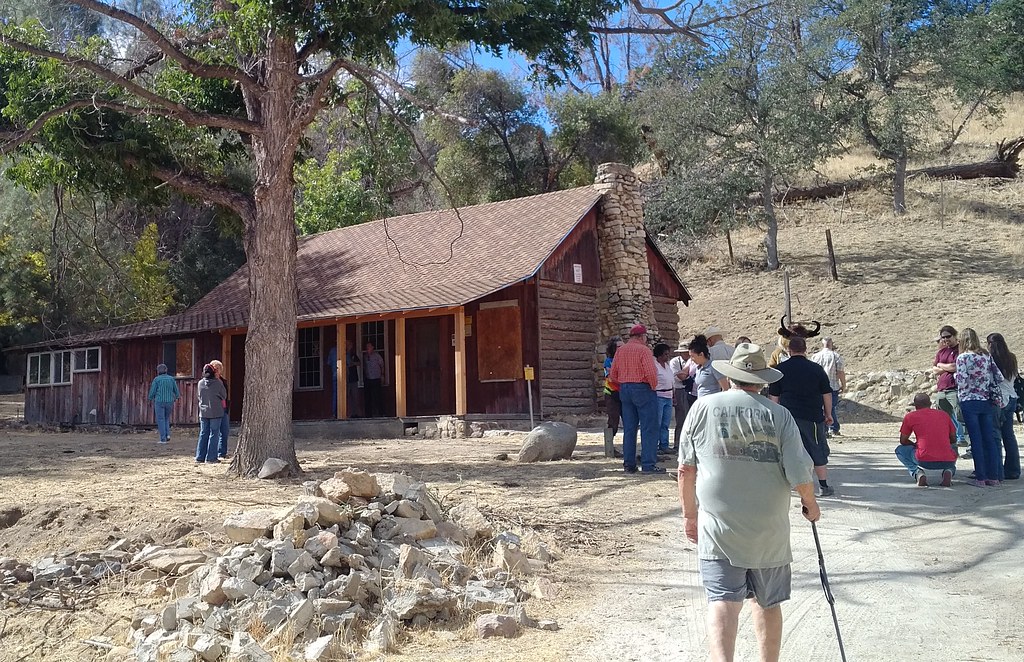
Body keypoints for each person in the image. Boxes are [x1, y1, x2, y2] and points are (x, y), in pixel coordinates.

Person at [678, 343, 819, 662]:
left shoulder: (702, 408)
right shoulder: (779, 414)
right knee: (768, 602)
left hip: (718, 527)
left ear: (731, 377)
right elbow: (799, 470)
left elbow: (685, 469)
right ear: (762, 381)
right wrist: (810, 503)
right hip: (768, 528)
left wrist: (690, 516)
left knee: (723, 601)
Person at [768, 336, 835, 497]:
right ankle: (823, 486)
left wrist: (774, 418)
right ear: (805, 350)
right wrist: (828, 414)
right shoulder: (816, 369)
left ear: (789, 350)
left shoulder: (780, 370)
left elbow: (774, 397)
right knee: (816, 449)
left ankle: (787, 485)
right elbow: (827, 393)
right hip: (812, 417)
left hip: (787, 417)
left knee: (787, 450)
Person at [608, 324, 664, 474]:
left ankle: (629, 465)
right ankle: (648, 465)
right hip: (643, 388)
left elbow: (613, 375)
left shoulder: (621, 351)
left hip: (625, 389)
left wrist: (624, 383)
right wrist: (652, 386)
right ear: (641, 336)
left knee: (629, 429)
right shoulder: (644, 350)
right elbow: (651, 373)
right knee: (649, 428)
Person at [956, 328, 1004, 486]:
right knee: (989, 438)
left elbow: (962, 381)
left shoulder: (962, 357)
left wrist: (956, 376)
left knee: (976, 440)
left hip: (969, 400)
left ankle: (981, 477)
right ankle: (994, 476)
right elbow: (999, 377)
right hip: (986, 400)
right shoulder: (986, 356)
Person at [895, 393, 957, 487]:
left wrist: (915, 445)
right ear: (930, 403)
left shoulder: (910, 417)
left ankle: (918, 473)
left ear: (915, 406)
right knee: (953, 448)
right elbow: (953, 439)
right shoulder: (943, 415)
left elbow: (903, 441)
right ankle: (949, 470)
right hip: (947, 459)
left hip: (923, 459)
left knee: (900, 450)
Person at [985, 332, 1020, 480]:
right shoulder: (1011, 358)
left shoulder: (990, 359)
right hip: (1011, 396)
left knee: (995, 436)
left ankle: (997, 471)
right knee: (1009, 435)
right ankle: (1013, 470)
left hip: (998, 399)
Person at [931, 326, 967, 448]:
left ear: (954, 335)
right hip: (942, 388)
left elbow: (955, 367)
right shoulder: (941, 352)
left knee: (959, 415)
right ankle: (950, 443)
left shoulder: (960, 350)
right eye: (943, 337)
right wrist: (944, 366)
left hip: (954, 388)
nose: (946, 339)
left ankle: (963, 439)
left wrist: (941, 365)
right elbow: (935, 370)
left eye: (948, 336)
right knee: (944, 418)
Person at [811, 337, 847, 437]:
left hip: (817, 387)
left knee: (820, 408)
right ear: (831, 344)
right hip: (832, 386)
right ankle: (833, 427)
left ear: (823, 344)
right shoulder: (836, 356)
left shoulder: (815, 357)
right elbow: (840, 372)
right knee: (831, 408)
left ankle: (823, 429)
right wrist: (843, 384)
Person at [196, 363, 227, 464]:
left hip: (203, 412)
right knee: (214, 434)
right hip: (216, 412)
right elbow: (224, 395)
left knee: (203, 433)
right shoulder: (218, 383)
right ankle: (211, 457)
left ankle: (200, 457)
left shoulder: (200, 383)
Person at [669, 341, 695, 451]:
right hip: (679, 390)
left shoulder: (692, 361)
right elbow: (678, 377)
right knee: (681, 417)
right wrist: (688, 376)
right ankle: (677, 443)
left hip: (690, 390)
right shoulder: (675, 362)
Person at [147, 363, 179, 444]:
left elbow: (153, 391)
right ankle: (168, 434)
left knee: (160, 419)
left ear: (158, 371)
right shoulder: (171, 379)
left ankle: (163, 439)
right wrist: (177, 396)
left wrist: (150, 398)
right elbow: (176, 390)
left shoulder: (157, 379)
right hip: (169, 401)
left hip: (159, 401)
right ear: (166, 370)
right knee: (166, 418)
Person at [603, 336, 624, 457]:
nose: (622, 348)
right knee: (613, 421)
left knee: (629, 421)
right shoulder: (608, 361)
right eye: (619, 347)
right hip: (612, 393)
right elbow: (610, 377)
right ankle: (610, 449)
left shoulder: (626, 361)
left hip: (625, 394)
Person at [653, 343, 676, 455]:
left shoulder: (667, 366)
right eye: (665, 354)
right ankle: (655, 445)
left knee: (665, 423)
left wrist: (673, 395)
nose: (668, 356)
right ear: (659, 355)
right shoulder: (655, 366)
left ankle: (664, 445)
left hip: (668, 396)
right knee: (657, 422)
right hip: (659, 396)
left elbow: (671, 381)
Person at [209, 360, 230, 458]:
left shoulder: (223, 381)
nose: (217, 370)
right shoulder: (209, 381)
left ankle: (222, 452)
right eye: (215, 368)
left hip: (224, 408)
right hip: (214, 409)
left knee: (225, 432)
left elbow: (225, 395)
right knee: (214, 432)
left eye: (219, 369)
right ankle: (212, 453)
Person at [363, 341, 386, 417]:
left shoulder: (377, 356)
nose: (367, 348)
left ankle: (381, 413)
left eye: (369, 347)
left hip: (376, 378)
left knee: (378, 396)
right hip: (368, 379)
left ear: (372, 347)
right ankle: (368, 414)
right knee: (368, 397)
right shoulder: (365, 356)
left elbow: (382, 365)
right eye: (367, 347)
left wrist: (382, 375)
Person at [345, 340, 361, 417]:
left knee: (355, 397)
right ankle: (347, 413)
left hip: (354, 378)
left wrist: (353, 363)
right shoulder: (342, 353)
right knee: (346, 397)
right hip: (346, 379)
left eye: (350, 345)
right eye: (348, 345)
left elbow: (359, 363)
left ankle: (355, 413)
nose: (349, 346)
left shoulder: (353, 354)